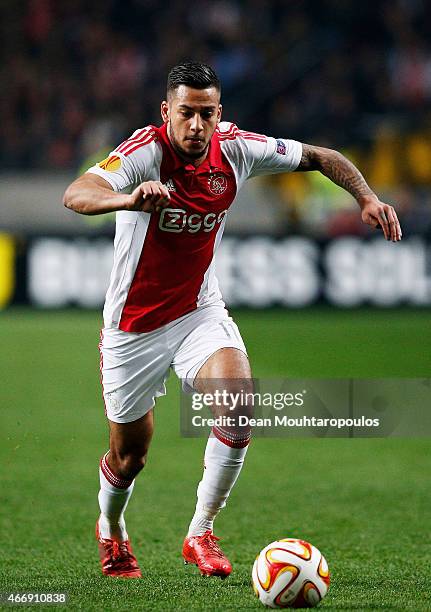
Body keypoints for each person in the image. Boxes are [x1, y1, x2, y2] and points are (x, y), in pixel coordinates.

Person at [63, 61, 402, 579]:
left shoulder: (238, 149)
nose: (196, 126)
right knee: (130, 456)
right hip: (132, 328)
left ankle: (200, 533)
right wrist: (127, 198)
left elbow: (321, 156)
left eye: (206, 114)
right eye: (185, 114)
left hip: (199, 311)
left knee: (239, 405)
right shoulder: (143, 153)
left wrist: (367, 197)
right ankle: (112, 530)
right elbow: (77, 193)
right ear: (165, 112)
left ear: (219, 113)